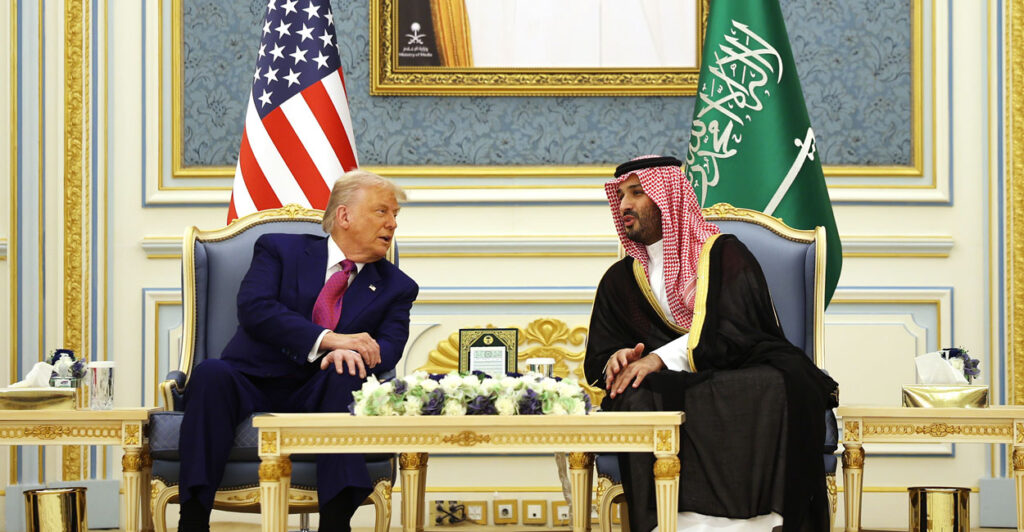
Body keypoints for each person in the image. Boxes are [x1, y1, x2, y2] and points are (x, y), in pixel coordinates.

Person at [584, 156, 838, 532]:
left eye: (636, 193)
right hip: (666, 387)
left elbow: (739, 330)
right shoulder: (620, 279)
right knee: (634, 395)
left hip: (732, 368)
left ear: (667, 197)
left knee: (775, 383)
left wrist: (659, 358)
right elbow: (601, 353)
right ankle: (668, 523)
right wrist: (617, 358)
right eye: (620, 195)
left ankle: (760, 521)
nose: (624, 205)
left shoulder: (723, 254)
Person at [177, 170, 419, 532]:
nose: (393, 224)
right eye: (382, 211)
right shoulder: (280, 249)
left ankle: (335, 524)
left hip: (324, 388)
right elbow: (256, 309)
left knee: (347, 373)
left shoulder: (397, 286)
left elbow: (388, 348)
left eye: (395, 215)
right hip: (252, 378)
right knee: (211, 374)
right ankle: (193, 521)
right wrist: (330, 340)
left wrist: (350, 354)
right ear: (345, 215)